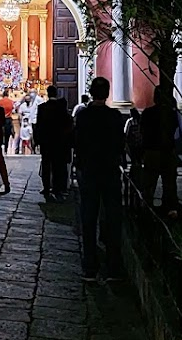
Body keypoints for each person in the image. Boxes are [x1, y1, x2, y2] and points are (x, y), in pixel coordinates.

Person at [74, 76, 125, 282]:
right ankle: (113, 268)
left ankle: (90, 267)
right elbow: (120, 142)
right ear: (108, 93)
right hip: (110, 171)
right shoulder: (115, 116)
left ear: (92, 92)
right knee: (113, 219)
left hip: (90, 171)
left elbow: (77, 142)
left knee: (88, 218)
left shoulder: (84, 116)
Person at [140, 88, 179, 217]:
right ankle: (170, 208)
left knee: (150, 182)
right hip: (167, 151)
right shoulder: (171, 114)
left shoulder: (147, 113)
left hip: (152, 151)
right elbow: (175, 131)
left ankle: (146, 207)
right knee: (169, 182)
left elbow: (142, 131)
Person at [34, 85, 71, 201]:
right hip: (59, 141)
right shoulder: (61, 107)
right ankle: (57, 188)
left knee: (46, 164)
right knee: (58, 165)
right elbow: (67, 124)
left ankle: (46, 187)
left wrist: (37, 141)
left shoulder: (42, 107)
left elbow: (38, 125)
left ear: (47, 94)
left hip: (46, 141)